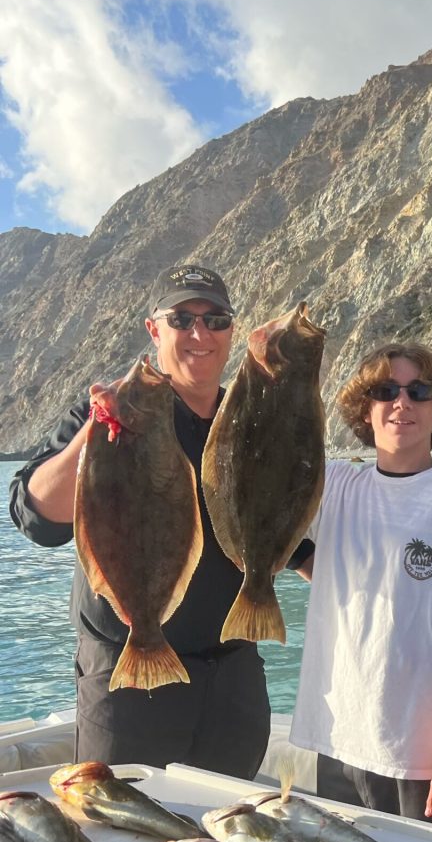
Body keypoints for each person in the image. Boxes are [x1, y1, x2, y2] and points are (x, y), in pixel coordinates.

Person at [8, 264, 288, 779]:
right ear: (154, 330)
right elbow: (36, 519)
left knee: (224, 836)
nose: (199, 334)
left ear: (231, 330)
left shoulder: (250, 425)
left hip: (233, 680)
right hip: (127, 676)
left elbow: (283, 528)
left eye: (216, 319)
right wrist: (97, 429)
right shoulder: (107, 415)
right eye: (182, 319)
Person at [290, 342, 432, 829]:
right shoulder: (335, 486)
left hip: (423, 756)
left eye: (419, 391)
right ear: (364, 412)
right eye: (385, 390)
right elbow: (269, 522)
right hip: (338, 737)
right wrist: (326, 574)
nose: (402, 402)